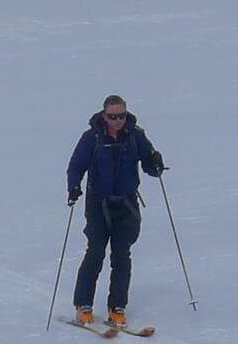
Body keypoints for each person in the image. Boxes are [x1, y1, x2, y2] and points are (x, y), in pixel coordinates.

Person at [66, 95, 165, 327]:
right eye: (112, 116)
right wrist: (73, 187)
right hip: (98, 204)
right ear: (104, 115)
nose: (118, 120)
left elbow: (150, 165)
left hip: (126, 204)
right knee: (96, 252)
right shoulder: (92, 138)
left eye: (121, 115)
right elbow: (76, 166)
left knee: (122, 255)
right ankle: (83, 304)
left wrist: (156, 163)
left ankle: (117, 306)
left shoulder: (135, 136)